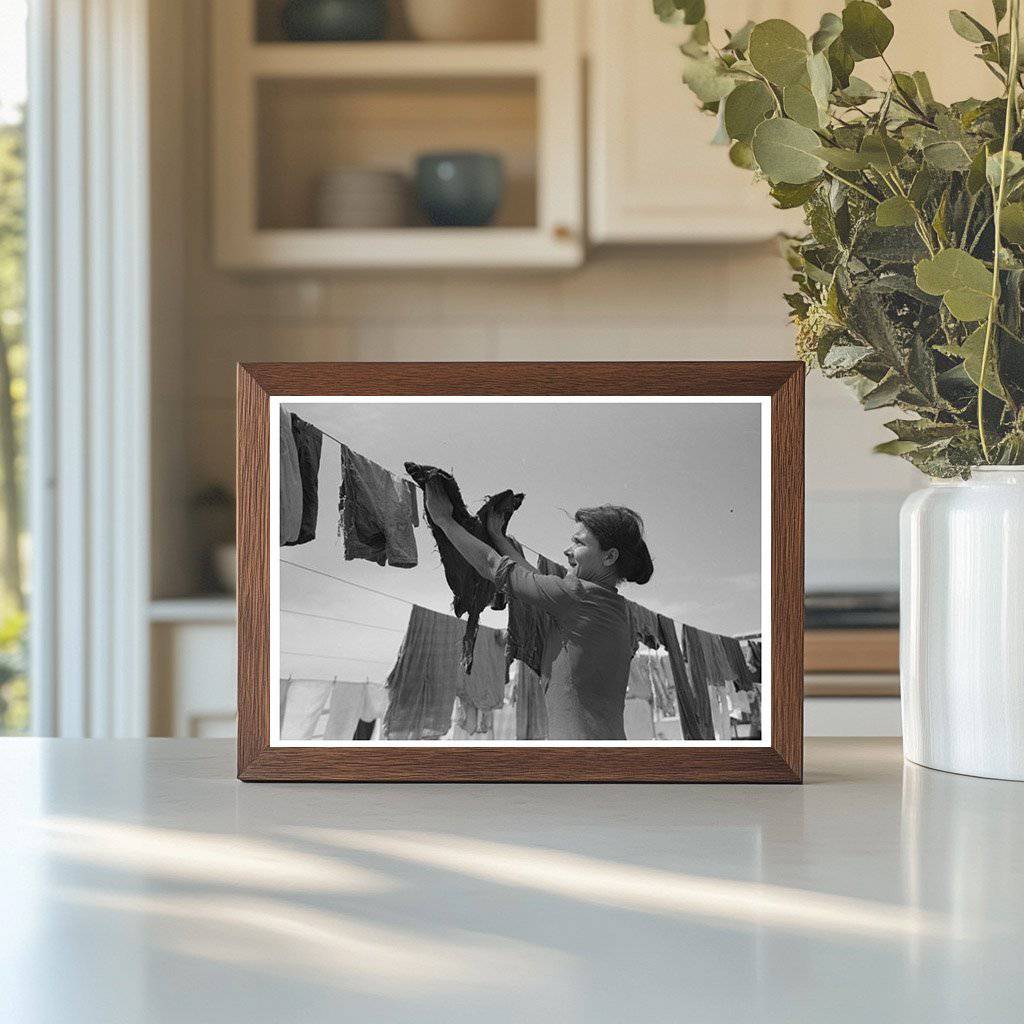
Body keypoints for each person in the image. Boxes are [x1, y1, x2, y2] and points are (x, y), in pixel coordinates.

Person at [423, 481, 654, 740]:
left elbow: (492, 565)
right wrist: (498, 537)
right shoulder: (617, 610)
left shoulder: (575, 596)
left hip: (578, 760)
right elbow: (534, 579)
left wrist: (443, 520)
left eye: (578, 543)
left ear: (609, 557)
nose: (568, 550)